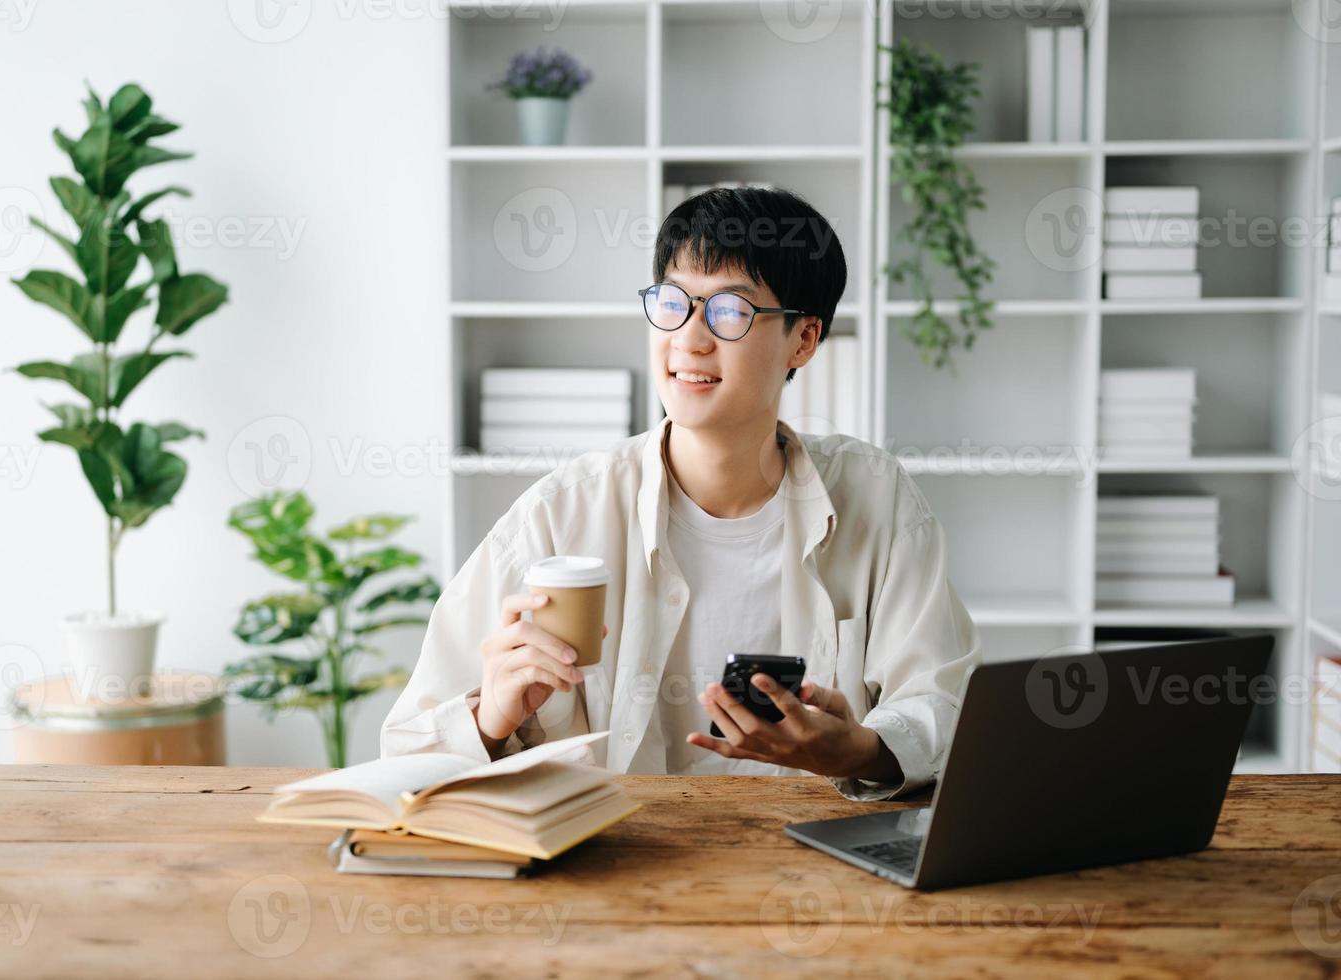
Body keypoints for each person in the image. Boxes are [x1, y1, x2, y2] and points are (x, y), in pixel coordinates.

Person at [382, 186, 980, 800]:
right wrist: (490, 721)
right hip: (617, 872)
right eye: (672, 303)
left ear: (802, 340)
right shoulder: (562, 514)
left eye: (728, 311)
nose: (689, 339)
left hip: (818, 874)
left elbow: (945, 704)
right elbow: (406, 748)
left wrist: (858, 748)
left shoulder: (875, 499)